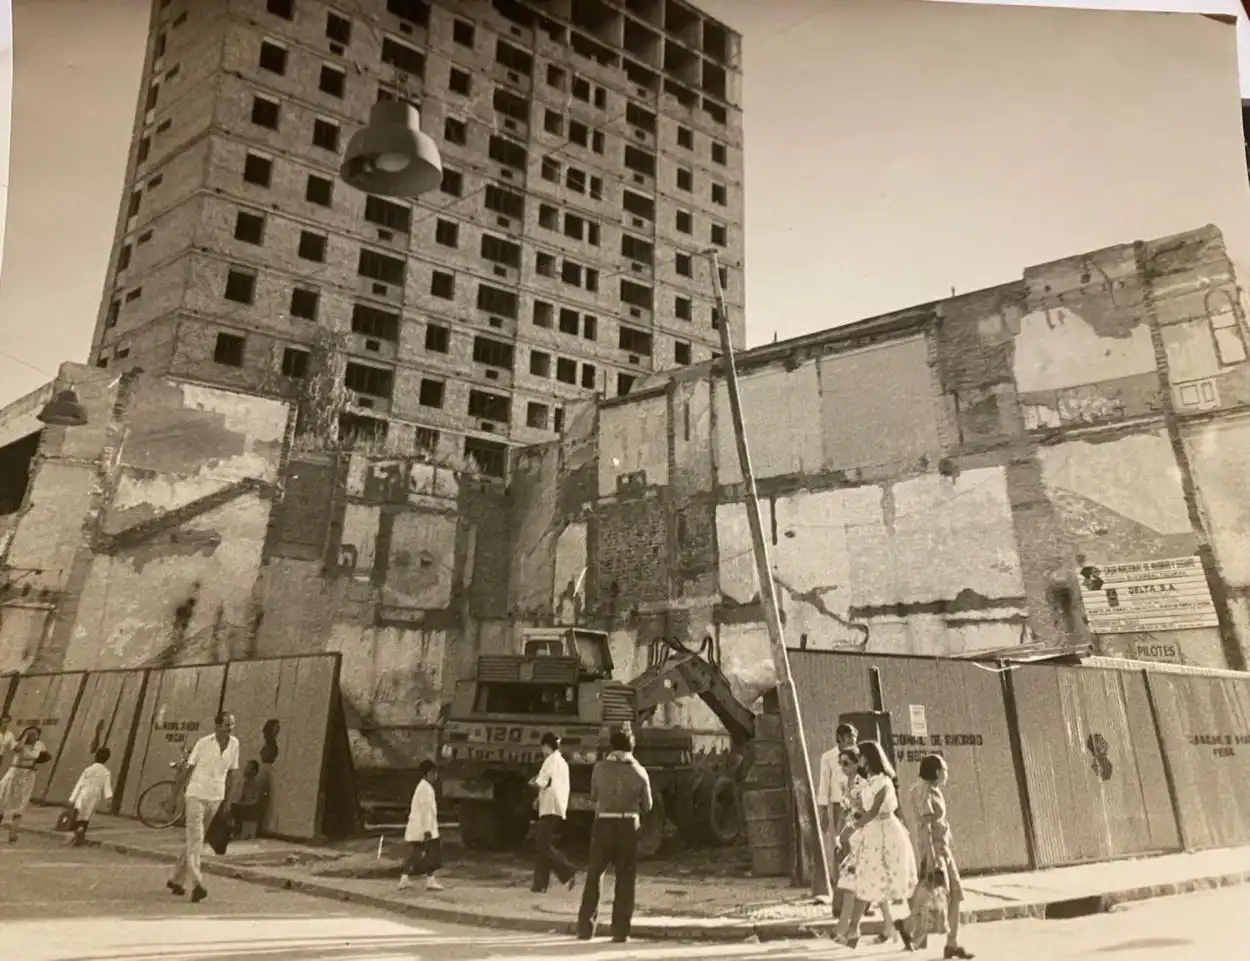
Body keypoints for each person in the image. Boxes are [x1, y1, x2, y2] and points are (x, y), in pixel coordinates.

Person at [834, 740, 918, 950]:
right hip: (872, 833)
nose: (859, 759)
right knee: (867, 879)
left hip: (888, 833)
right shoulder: (868, 782)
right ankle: (856, 931)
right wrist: (852, 816)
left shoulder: (883, 782)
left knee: (896, 879)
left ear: (869, 757)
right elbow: (864, 810)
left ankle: (910, 928)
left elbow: (873, 812)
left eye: (861, 755)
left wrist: (853, 828)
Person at [577, 724, 653, 944]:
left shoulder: (599, 769)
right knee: (625, 878)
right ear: (631, 747)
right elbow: (648, 806)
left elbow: (594, 795)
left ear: (612, 746)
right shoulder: (640, 772)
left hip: (603, 823)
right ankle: (620, 931)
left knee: (595, 874)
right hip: (628, 824)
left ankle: (585, 928)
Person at [166, 711, 239, 903]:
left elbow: (232, 773)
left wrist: (227, 801)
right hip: (196, 795)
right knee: (196, 839)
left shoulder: (234, 744)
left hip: (216, 797)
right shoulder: (204, 743)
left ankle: (176, 879)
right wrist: (174, 796)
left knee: (195, 840)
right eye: (226, 724)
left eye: (232, 724)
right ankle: (197, 884)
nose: (230, 728)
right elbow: (188, 769)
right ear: (217, 726)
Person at [909, 754, 973, 959]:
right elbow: (926, 827)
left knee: (950, 894)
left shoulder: (926, 789)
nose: (947, 774)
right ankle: (915, 933)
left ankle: (949, 942)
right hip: (936, 851)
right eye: (945, 770)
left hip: (940, 849)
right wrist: (931, 858)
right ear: (937, 772)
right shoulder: (925, 791)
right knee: (946, 893)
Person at [816, 722, 859, 904]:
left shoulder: (858, 755)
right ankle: (839, 884)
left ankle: (856, 886)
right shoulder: (828, 757)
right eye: (849, 738)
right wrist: (823, 810)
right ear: (839, 738)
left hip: (857, 804)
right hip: (838, 806)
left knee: (857, 843)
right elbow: (824, 784)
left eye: (854, 738)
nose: (852, 741)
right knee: (840, 844)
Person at [529, 732, 577, 893]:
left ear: (546, 746)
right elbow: (554, 783)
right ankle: (540, 884)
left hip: (549, 806)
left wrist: (532, 782)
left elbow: (542, 782)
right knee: (543, 844)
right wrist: (539, 798)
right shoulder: (562, 762)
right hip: (558, 805)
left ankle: (567, 870)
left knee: (542, 844)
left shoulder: (549, 761)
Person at [0, 725, 52, 843]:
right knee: (3, 799)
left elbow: (43, 756)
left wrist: (37, 760)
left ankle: (13, 833)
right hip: (14, 772)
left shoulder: (39, 745)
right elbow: (17, 749)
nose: (33, 736)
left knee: (20, 804)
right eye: (31, 734)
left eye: (36, 734)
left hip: (27, 774)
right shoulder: (18, 743)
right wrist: (24, 738)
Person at [399, 759, 444, 892]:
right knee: (431, 853)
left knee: (416, 853)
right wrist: (427, 830)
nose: (436, 776)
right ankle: (430, 880)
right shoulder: (426, 789)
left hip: (419, 827)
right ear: (429, 773)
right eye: (434, 773)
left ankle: (404, 878)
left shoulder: (423, 787)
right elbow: (426, 811)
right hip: (424, 827)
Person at [67, 747, 114, 846]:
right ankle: (81, 833)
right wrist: (109, 798)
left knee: (79, 813)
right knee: (87, 815)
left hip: (83, 793)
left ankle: (77, 832)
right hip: (94, 796)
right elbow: (107, 787)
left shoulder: (88, 770)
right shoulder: (106, 772)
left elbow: (79, 784)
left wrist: (72, 798)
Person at [230, 760, 269, 838]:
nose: (245, 769)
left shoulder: (256, 785)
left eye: (248, 768)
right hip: (245, 807)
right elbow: (241, 798)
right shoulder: (245, 784)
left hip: (252, 809)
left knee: (233, 808)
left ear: (254, 771)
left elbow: (256, 800)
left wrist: (242, 805)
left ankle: (236, 831)